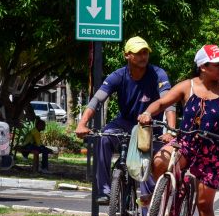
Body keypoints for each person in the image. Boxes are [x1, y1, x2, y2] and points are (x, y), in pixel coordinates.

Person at [138, 45, 219, 216]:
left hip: (213, 150)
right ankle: (161, 196)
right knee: (159, 160)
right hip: (187, 143)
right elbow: (162, 103)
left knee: (204, 204)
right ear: (203, 67)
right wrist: (147, 113)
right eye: (218, 65)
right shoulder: (188, 86)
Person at [75, 36, 176, 206]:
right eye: (138, 53)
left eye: (145, 52)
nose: (143, 56)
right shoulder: (118, 75)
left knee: (147, 175)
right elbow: (97, 100)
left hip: (151, 128)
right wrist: (82, 123)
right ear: (127, 55)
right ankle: (105, 190)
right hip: (125, 123)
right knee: (104, 137)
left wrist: (171, 131)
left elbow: (169, 103)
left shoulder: (158, 74)